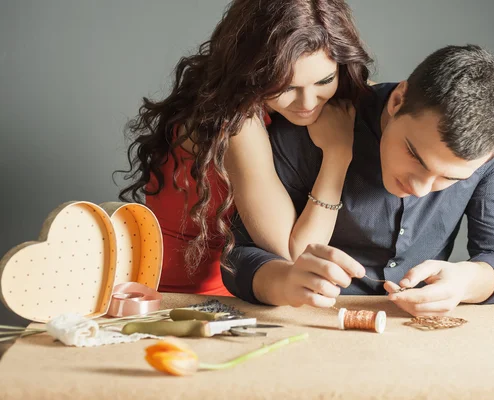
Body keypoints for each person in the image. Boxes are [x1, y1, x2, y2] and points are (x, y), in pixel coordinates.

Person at [223, 44, 494, 316]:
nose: (420, 188)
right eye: (415, 156)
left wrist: (466, 282)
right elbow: (239, 257)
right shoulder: (312, 125)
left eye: (449, 177)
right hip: (314, 323)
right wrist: (283, 282)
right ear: (398, 101)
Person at [117, 0, 372, 295]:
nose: (308, 103)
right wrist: (338, 154)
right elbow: (294, 254)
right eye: (287, 86)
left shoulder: (266, 98)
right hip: (178, 299)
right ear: (254, 71)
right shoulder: (236, 123)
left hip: (242, 291)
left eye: (324, 80)